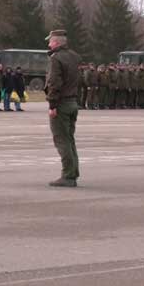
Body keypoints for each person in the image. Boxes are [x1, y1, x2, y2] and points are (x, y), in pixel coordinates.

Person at [45, 29, 82, 187]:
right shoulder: (74, 57)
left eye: (51, 41)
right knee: (69, 139)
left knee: (62, 140)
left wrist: (52, 104)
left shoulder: (56, 58)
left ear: (57, 42)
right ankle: (73, 172)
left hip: (61, 103)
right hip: (72, 101)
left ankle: (68, 175)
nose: (49, 44)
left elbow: (54, 82)